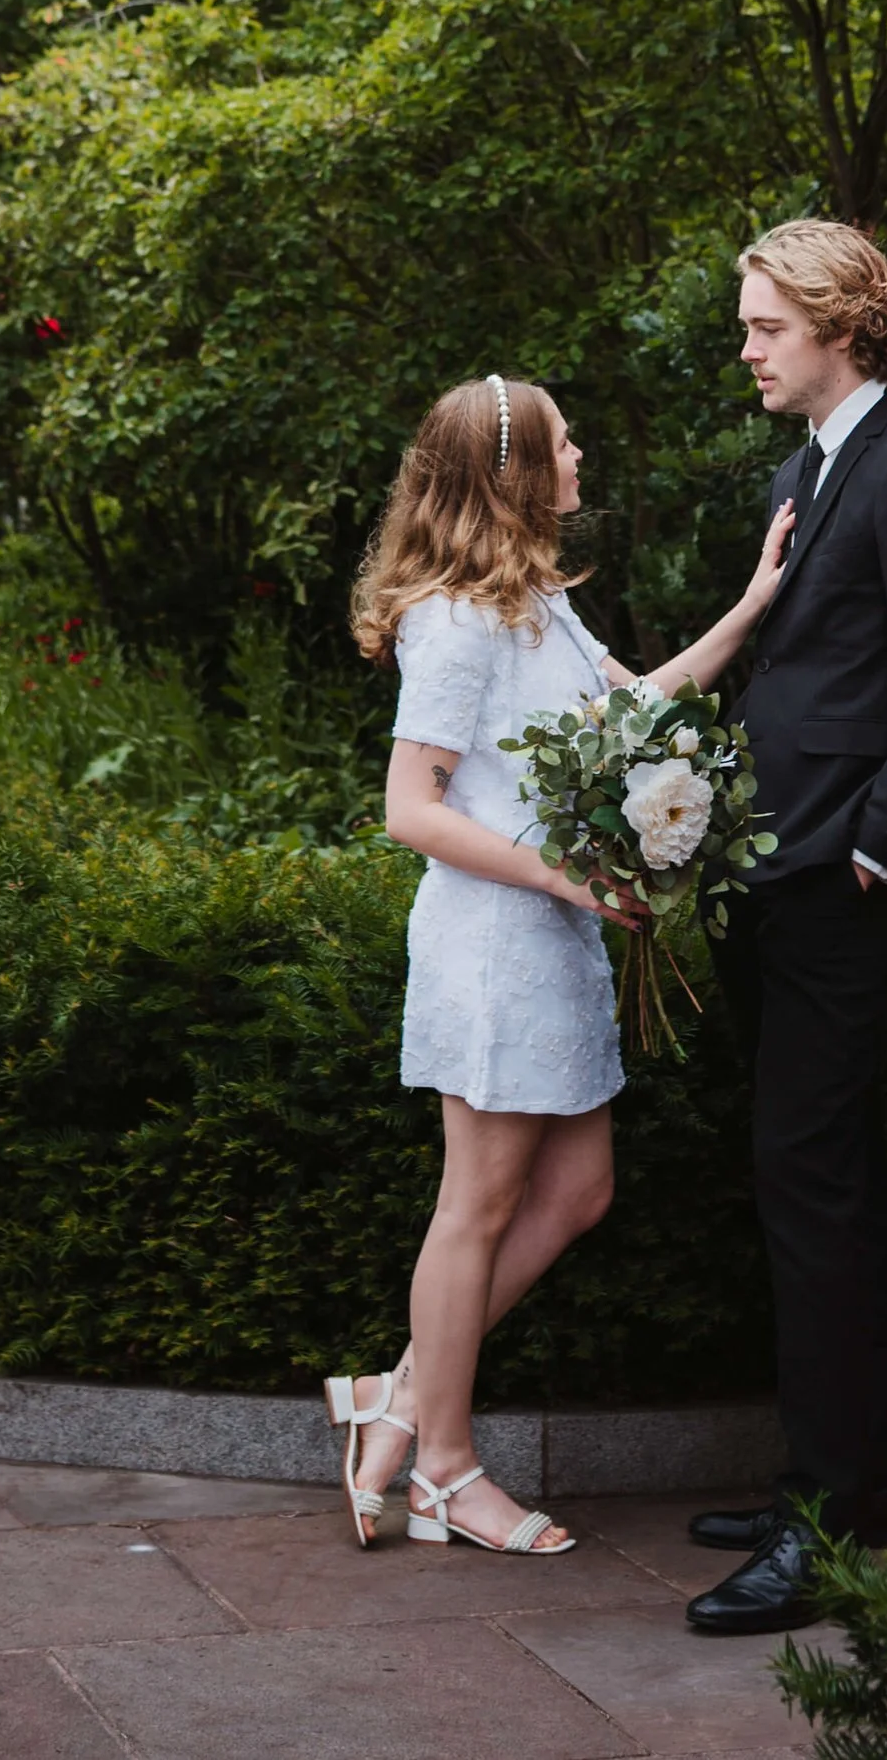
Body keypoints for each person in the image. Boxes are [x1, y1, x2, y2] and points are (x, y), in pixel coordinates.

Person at [330, 369, 795, 1558]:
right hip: (494, 943)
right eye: (562, 442)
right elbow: (407, 810)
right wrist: (555, 876)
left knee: (577, 1193)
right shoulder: (455, 621)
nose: (581, 454)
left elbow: (629, 716)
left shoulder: (537, 601)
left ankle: (394, 1395)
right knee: (476, 1206)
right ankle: (441, 1467)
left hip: (555, 941)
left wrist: (750, 610)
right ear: (511, 473)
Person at [683, 220, 887, 1639]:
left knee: (817, 1186)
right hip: (772, 871)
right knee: (808, 1179)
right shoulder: (805, 466)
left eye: (764, 325)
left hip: (838, 884)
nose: (746, 346)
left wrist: (879, 849)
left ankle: (841, 1517)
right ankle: (842, 1480)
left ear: (842, 327)